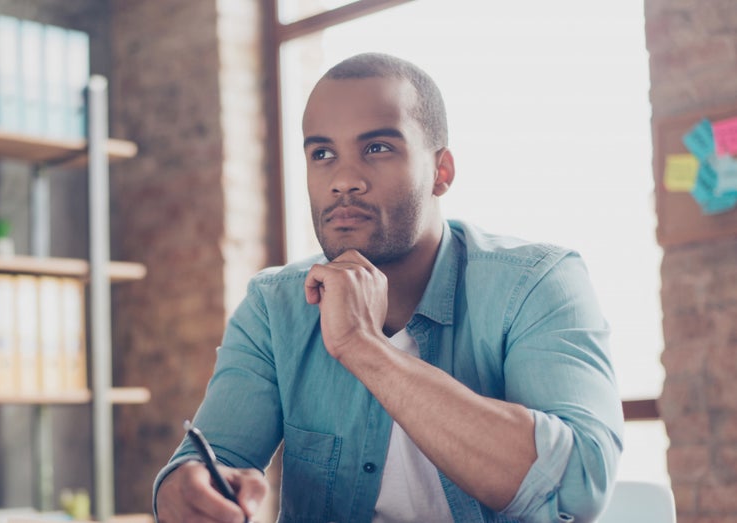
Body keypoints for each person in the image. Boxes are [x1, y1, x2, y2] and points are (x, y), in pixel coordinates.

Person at [153, 52, 624, 523]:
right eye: (322, 154)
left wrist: (365, 348)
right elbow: (210, 461)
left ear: (441, 172)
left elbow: (580, 484)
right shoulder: (274, 307)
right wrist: (182, 491)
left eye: (377, 148)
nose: (343, 181)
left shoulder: (537, 283)